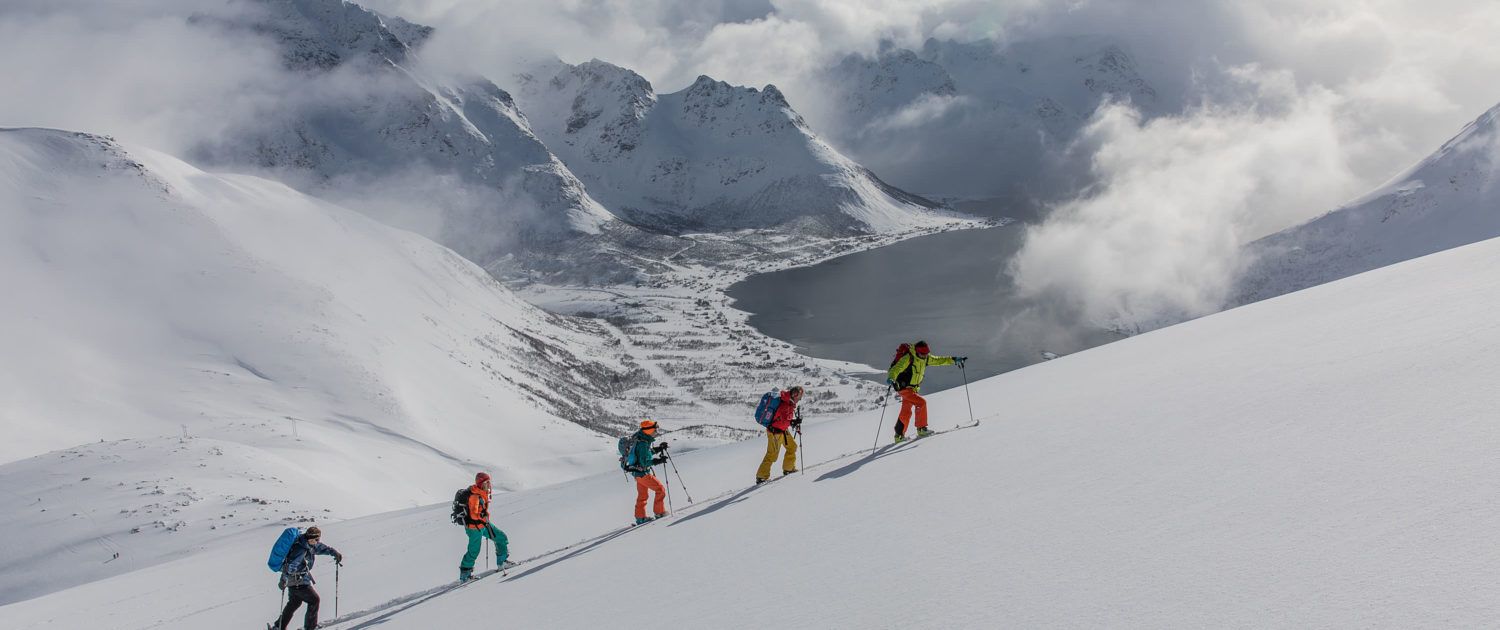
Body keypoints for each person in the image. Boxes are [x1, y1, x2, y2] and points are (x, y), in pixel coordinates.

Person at [886, 341, 967, 442]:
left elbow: (939, 360)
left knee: (906, 411)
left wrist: (954, 360)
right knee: (921, 403)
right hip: (903, 387)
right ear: (917, 352)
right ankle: (921, 429)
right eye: (922, 354)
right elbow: (897, 368)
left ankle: (899, 435)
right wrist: (891, 377)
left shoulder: (926, 358)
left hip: (913, 388)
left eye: (926, 354)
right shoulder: (909, 358)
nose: (924, 356)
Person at [271, 526, 342, 630]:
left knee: (294, 603)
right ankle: (310, 627)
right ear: (309, 537)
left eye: (316, 540)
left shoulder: (310, 544)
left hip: (297, 580)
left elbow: (322, 548)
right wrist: (283, 579)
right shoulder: (300, 549)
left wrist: (334, 553)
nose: (315, 542)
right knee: (314, 600)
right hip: (298, 581)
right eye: (314, 540)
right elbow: (291, 565)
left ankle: (278, 626)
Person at [459, 472, 510, 582]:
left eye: (489, 482)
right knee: (474, 551)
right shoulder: (474, 495)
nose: (489, 485)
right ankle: (465, 575)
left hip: (483, 524)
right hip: (474, 528)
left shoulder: (482, 492)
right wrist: (482, 515)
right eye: (486, 482)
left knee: (501, 537)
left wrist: (483, 515)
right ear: (481, 483)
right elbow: (473, 514)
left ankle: (503, 562)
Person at [623, 419, 669, 525]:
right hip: (643, 474)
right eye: (655, 430)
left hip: (637, 474)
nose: (656, 432)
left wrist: (658, 449)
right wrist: (658, 461)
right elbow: (645, 462)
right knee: (660, 489)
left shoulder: (642, 440)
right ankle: (660, 512)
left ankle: (640, 518)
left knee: (642, 496)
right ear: (649, 431)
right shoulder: (643, 443)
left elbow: (646, 454)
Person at [755, 386, 804, 483]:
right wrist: (792, 422)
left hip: (782, 430)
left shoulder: (788, 401)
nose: (799, 400)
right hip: (775, 432)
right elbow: (781, 420)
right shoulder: (785, 402)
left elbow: (784, 419)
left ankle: (788, 468)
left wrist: (793, 422)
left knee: (792, 447)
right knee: (772, 455)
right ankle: (761, 476)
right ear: (795, 394)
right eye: (799, 397)